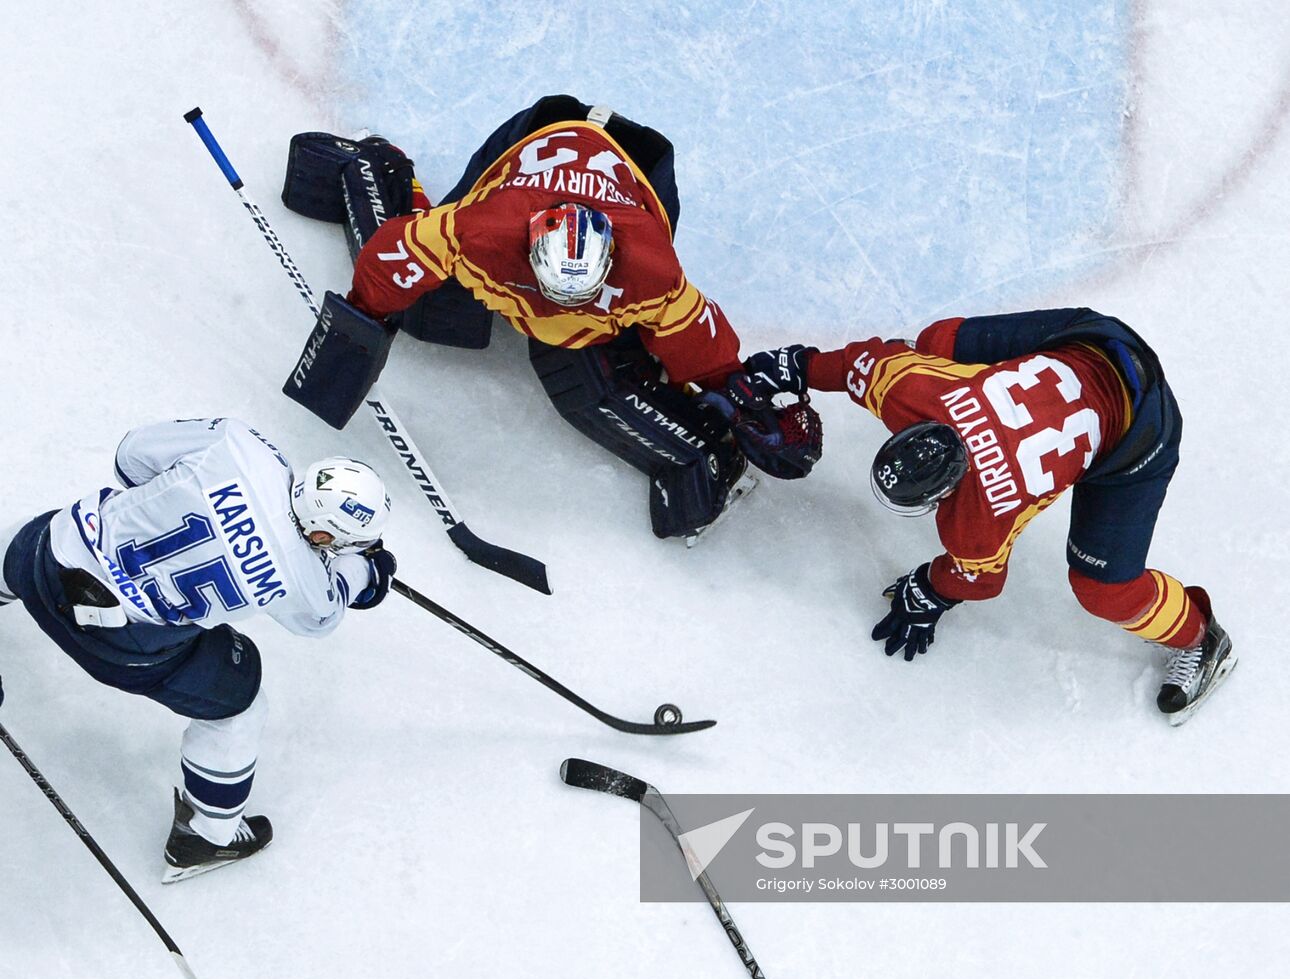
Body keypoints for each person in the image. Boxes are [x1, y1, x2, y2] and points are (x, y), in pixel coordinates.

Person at [277, 94, 821, 542]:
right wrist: (367, 318)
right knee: (427, 313)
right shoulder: (481, 232)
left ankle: (688, 451)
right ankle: (376, 166)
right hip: (537, 133)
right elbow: (390, 257)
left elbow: (699, 344)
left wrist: (732, 399)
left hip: (643, 164)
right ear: (530, 255)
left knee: (598, 381)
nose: (562, 312)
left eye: (580, 298)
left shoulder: (652, 272)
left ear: (610, 262)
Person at [744, 308, 1236, 724]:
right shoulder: (912, 389)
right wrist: (799, 366)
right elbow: (858, 363)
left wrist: (931, 590)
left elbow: (980, 581)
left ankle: (1199, 637)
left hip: (1141, 433)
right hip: (1098, 342)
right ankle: (954, 365)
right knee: (936, 342)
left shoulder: (979, 519)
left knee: (1104, 588)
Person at [0, 417, 397, 880]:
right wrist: (366, 573)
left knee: (39, 539)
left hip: (42, 561)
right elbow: (323, 615)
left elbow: (130, 459)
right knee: (239, 709)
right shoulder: (304, 579)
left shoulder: (241, 445)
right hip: (118, 648)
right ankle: (205, 837)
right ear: (326, 538)